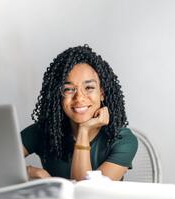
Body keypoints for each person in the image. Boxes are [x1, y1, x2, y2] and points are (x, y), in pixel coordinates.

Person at [21, 45, 138, 181]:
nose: (79, 98)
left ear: (102, 93)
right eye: (69, 89)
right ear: (58, 95)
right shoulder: (44, 131)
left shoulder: (122, 140)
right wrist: (27, 172)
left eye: (89, 87)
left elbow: (86, 193)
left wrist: (84, 130)